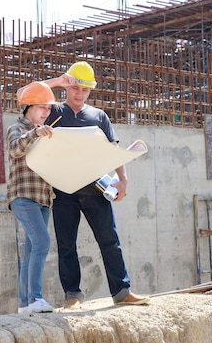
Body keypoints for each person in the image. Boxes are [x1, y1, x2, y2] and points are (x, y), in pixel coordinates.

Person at [32, 61, 150, 309]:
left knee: (110, 241)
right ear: (68, 86)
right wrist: (55, 81)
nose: (79, 93)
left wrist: (123, 179)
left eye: (85, 90)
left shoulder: (99, 117)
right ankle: (72, 295)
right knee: (66, 245)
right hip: (63, 189)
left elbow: (113, 149)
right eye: (75, 88)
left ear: (90, 91)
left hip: (96, 188)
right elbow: (26, 94)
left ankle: (121, 291)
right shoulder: (52, 112)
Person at [7, 81, 57, 314]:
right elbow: (15, 149)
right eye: (41, 107)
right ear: (28, 107)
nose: (46, 112)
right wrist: (35, 133)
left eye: (48, 108)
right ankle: (36, 298)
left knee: (31, 249)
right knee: (42, 243)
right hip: (23, 196)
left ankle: (25, 304)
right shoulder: (17, 129)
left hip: (43, 197)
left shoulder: (48, 132)